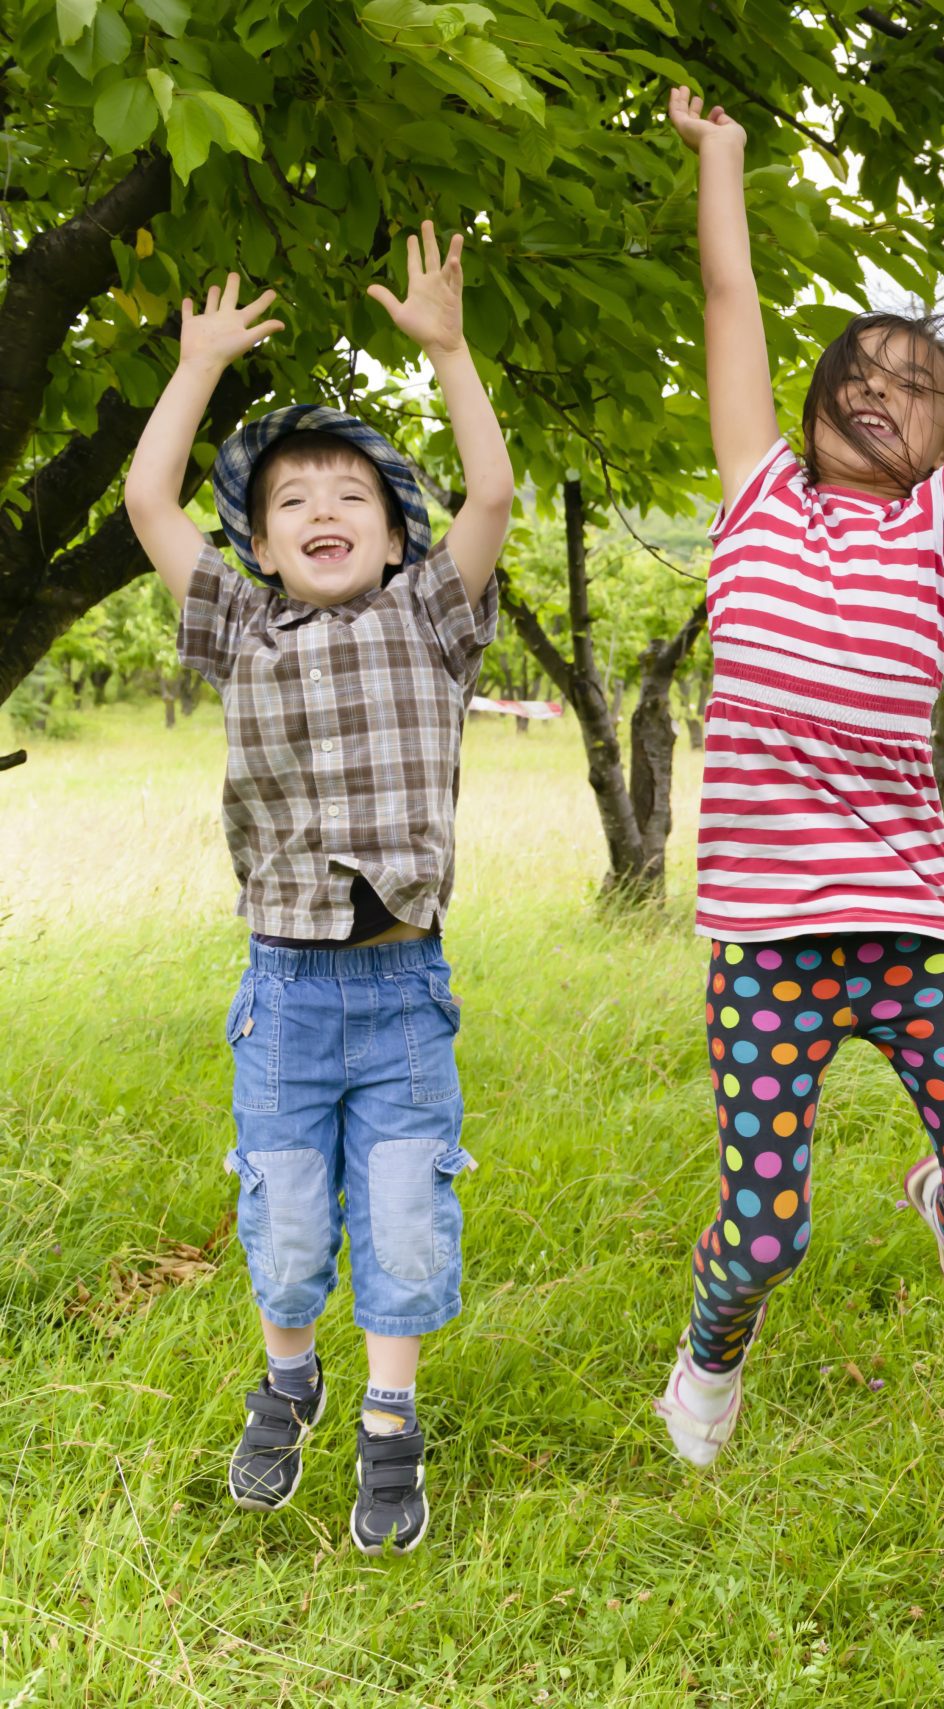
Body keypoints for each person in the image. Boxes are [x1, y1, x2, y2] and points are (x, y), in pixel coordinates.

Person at [651, 59, 944, 1467]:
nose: (884, 391)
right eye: (862, 371)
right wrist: (718, 158)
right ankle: (711, 1353)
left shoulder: (940, 536)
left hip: (909, 925)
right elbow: (731, 307)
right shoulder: (753, 496)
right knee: (767, 1227)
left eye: (920, 388)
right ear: (816, 397)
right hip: (767, 944)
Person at [125, 225, 515, 1554]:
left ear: (396, 530)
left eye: (352, 493)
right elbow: (148, 507)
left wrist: (452, 356)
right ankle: (287, 1379)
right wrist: (197, 368)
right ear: (263, 546)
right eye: (293, 501)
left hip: (404, 987)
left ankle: (388, 1425)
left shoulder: (431, 619)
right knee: (286, 1216)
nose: (324, 510)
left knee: (406, 1214)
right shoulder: (242, 629)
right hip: (286, 993)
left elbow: (495, 499)